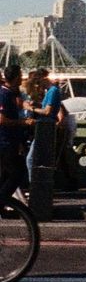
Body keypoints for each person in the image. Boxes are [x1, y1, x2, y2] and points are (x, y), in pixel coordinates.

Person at [0, 64, 34, 200]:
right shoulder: (4, 94)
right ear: (14, 78)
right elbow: (1, 119)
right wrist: (22, 122)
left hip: (11, 141)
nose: (22, 78)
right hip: (5, 142)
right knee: (17, 173)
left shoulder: (10, 93)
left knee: (6, 175)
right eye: (20, 75)